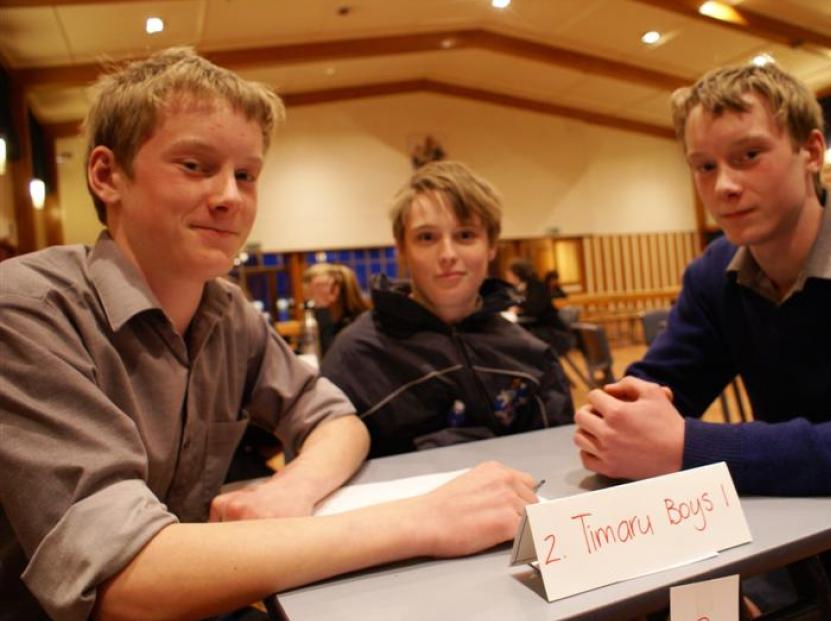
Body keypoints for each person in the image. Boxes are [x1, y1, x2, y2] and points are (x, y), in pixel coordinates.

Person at [0, 48, 539, 621]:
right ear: (108, 175)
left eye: (246, 175)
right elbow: (122, 577)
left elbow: (335, 420)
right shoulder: (27, 308)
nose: (230, 196)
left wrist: (293, 488)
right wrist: (424, 519)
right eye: (195, 165)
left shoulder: (228, 311)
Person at [573, 62, 831, 620]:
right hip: (784, 522)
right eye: (704, 166)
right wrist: (614, 421)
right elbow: (649, 398)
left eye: (748, 155)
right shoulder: (713, 277)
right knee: (671, 610)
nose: (723, 185)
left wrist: (692, 448)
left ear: (812, 151)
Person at [321, 161, 574, 457]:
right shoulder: (354, 357)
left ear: (491, 246)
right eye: (427, 237)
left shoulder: (531, 357)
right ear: (402, 249)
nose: (448, 254)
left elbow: (558, 462)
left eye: (465, 235)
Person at [506, 258, 574, 355]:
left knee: (520, 340)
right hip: (538, 329)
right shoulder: (520, 289)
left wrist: (518, 308)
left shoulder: (537, 287)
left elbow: (535, 309)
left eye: (509, 275)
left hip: (553, 333)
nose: (508, 278)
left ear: (517, 275)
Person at [302, 262, 370, 355]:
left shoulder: (353, 327)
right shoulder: (340, 319)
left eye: (317, 288)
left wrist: (322, 310)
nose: (311, 299)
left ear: (334, 291)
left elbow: (329, 356)